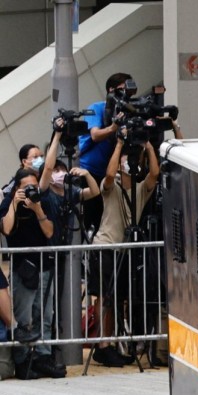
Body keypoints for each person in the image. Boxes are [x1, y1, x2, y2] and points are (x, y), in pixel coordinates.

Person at [87, 131, 160, 367]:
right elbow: (108, 175)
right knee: (104, 298)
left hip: (123, 251)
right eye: (124, 163)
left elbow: (155, 174)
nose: (127, 165)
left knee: (118, 299)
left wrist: (147, 145)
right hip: (106, 247)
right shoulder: (112, 187)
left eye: (131, 161)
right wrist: (118, 144)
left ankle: (111, 343)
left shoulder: (139, 190)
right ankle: (102, 344)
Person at [0, 168, 59, 379]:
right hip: (22, 270)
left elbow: (50, 232)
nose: (32, 190)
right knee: (23, 320)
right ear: (17, 188)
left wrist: (37, 209)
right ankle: (23, 362)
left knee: (44, 316)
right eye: (27, 188)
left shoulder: (42, 201)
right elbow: (6, 229)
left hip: (44, 267)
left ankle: (43, 359)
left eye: (34, 186)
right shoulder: (9, 202)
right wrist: (15, 204)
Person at [78, 72, 132, 234]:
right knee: (92, 218)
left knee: (110, 218)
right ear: (111, 90)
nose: (126, 94)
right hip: (91, 173)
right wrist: (113, 128)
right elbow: (95, 135)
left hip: (114, 173)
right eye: (122, 89)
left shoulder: (129, 110)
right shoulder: (97, 108)